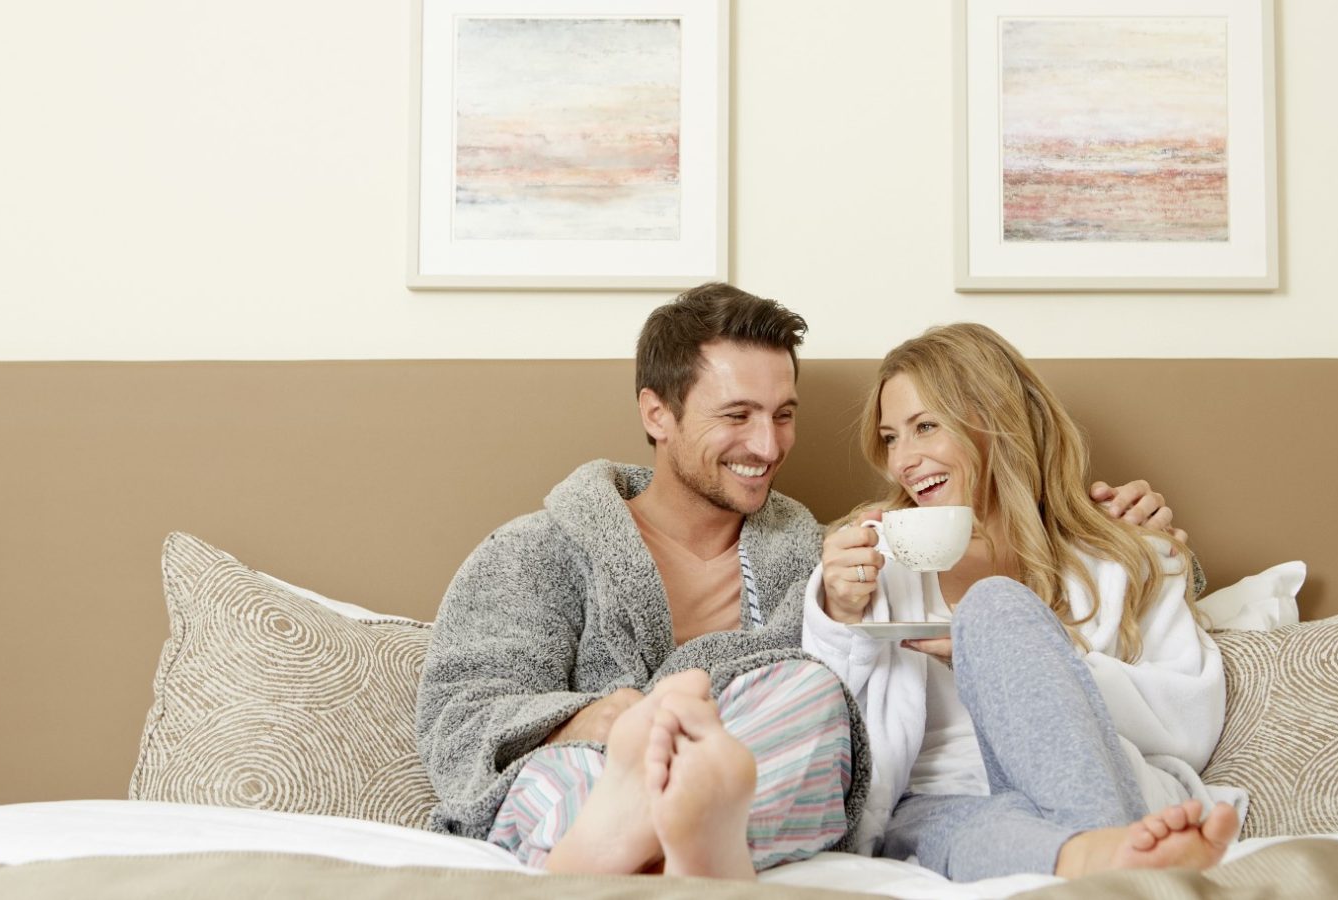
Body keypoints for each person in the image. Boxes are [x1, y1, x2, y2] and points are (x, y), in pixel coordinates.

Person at [416, 284, 1181, 880]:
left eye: (783, 415)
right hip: (586, 771)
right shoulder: (537, 551)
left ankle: (692, 837)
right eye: (738, 414)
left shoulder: (815, 553)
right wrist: (612, 725)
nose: (767, 444)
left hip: (750, 772)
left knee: (816, 701)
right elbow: (461, 713)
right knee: (564, 780)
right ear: (658, 413)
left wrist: (1144, 543)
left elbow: (871, 679)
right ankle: (630, 840)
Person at [802, 322, 1244, 883]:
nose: (903, 461)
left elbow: (1190, 724)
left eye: (925, 427)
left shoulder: (1122, 555)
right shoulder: (872, 560)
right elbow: (828, 730)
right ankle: (1103, 861)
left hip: (1097, 777)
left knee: (994, 608)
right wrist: (839, 617)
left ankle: (1097, 849)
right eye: (891, 438)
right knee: (976, 831)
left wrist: (1010, 658)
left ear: (994, 422)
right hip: (945, 801)